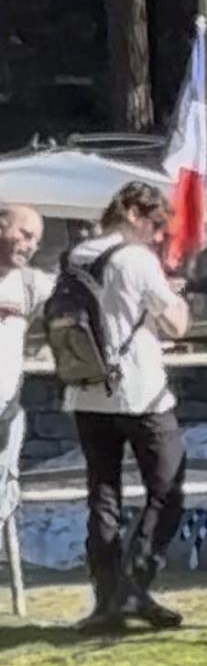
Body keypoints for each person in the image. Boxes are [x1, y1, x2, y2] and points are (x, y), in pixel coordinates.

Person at [63, 182, 190, 633]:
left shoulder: (76, 256)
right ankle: (135, 584)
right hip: (139, 391)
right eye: (156, 224)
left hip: (86, 390)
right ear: (134, 212)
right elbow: (175, 322)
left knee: (103, 492)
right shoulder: (136, 259)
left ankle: (106, 598)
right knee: (168, 488)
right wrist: (174, 296)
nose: (158, 236)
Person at [0, 205, 54, 533]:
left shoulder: (30, 283)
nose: (31, 244)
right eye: (25, 233)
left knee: (4, 495)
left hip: (6, 411)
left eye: (36, 239)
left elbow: (69, 302)